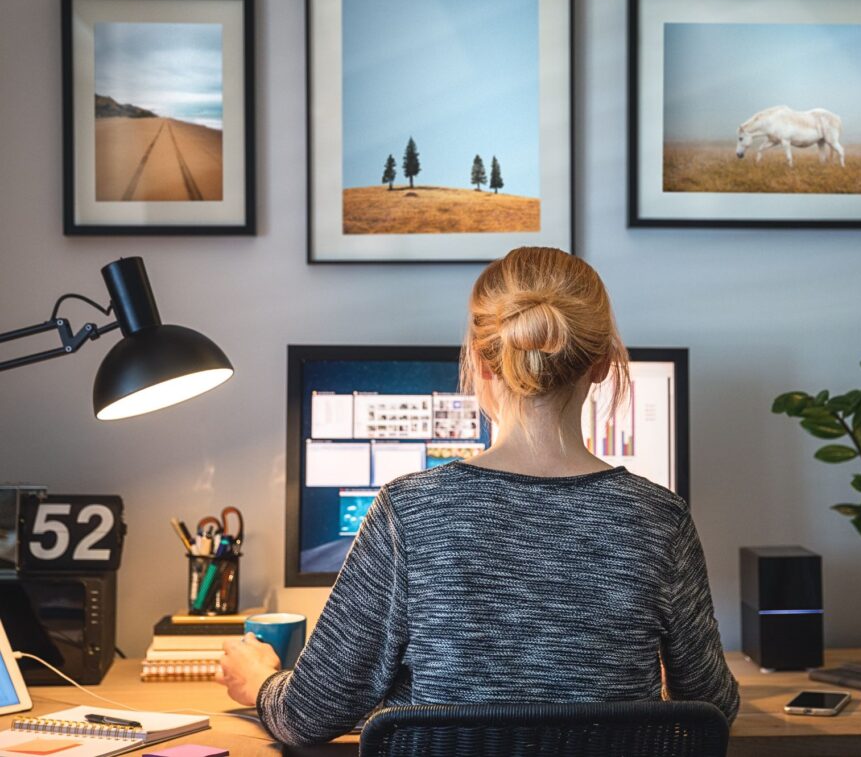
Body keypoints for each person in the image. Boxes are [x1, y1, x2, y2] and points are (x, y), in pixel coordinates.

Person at [217, 246, 740, 746]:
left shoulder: (409, 512)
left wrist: (261, 681)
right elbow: (712, 707)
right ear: (602, 364)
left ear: (483, 363)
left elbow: (309, 715)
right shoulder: (660, 519)